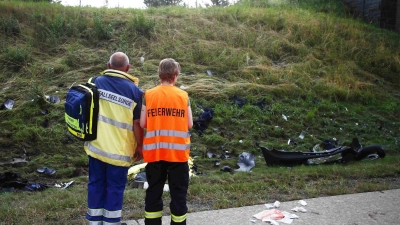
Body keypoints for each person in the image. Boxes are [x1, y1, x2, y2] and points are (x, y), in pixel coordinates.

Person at [84, 52, 144, 225]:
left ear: (109, 66)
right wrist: (140, 145)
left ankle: (94, 222)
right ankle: (111, 223)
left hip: (96, 147)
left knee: (95, 184)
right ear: (128, 68)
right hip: (119, 152)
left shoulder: (95, 82)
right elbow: (138, 123)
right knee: (115, 188)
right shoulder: (135, 92)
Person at [140, 58, 193, 225]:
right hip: (178, 155)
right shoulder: (183, 96)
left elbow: (142, 123)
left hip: (155, 153)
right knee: (178, 194)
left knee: (154, 191)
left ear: (159, 75)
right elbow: (190, 123)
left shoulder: (148, 95)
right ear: (175, 76)